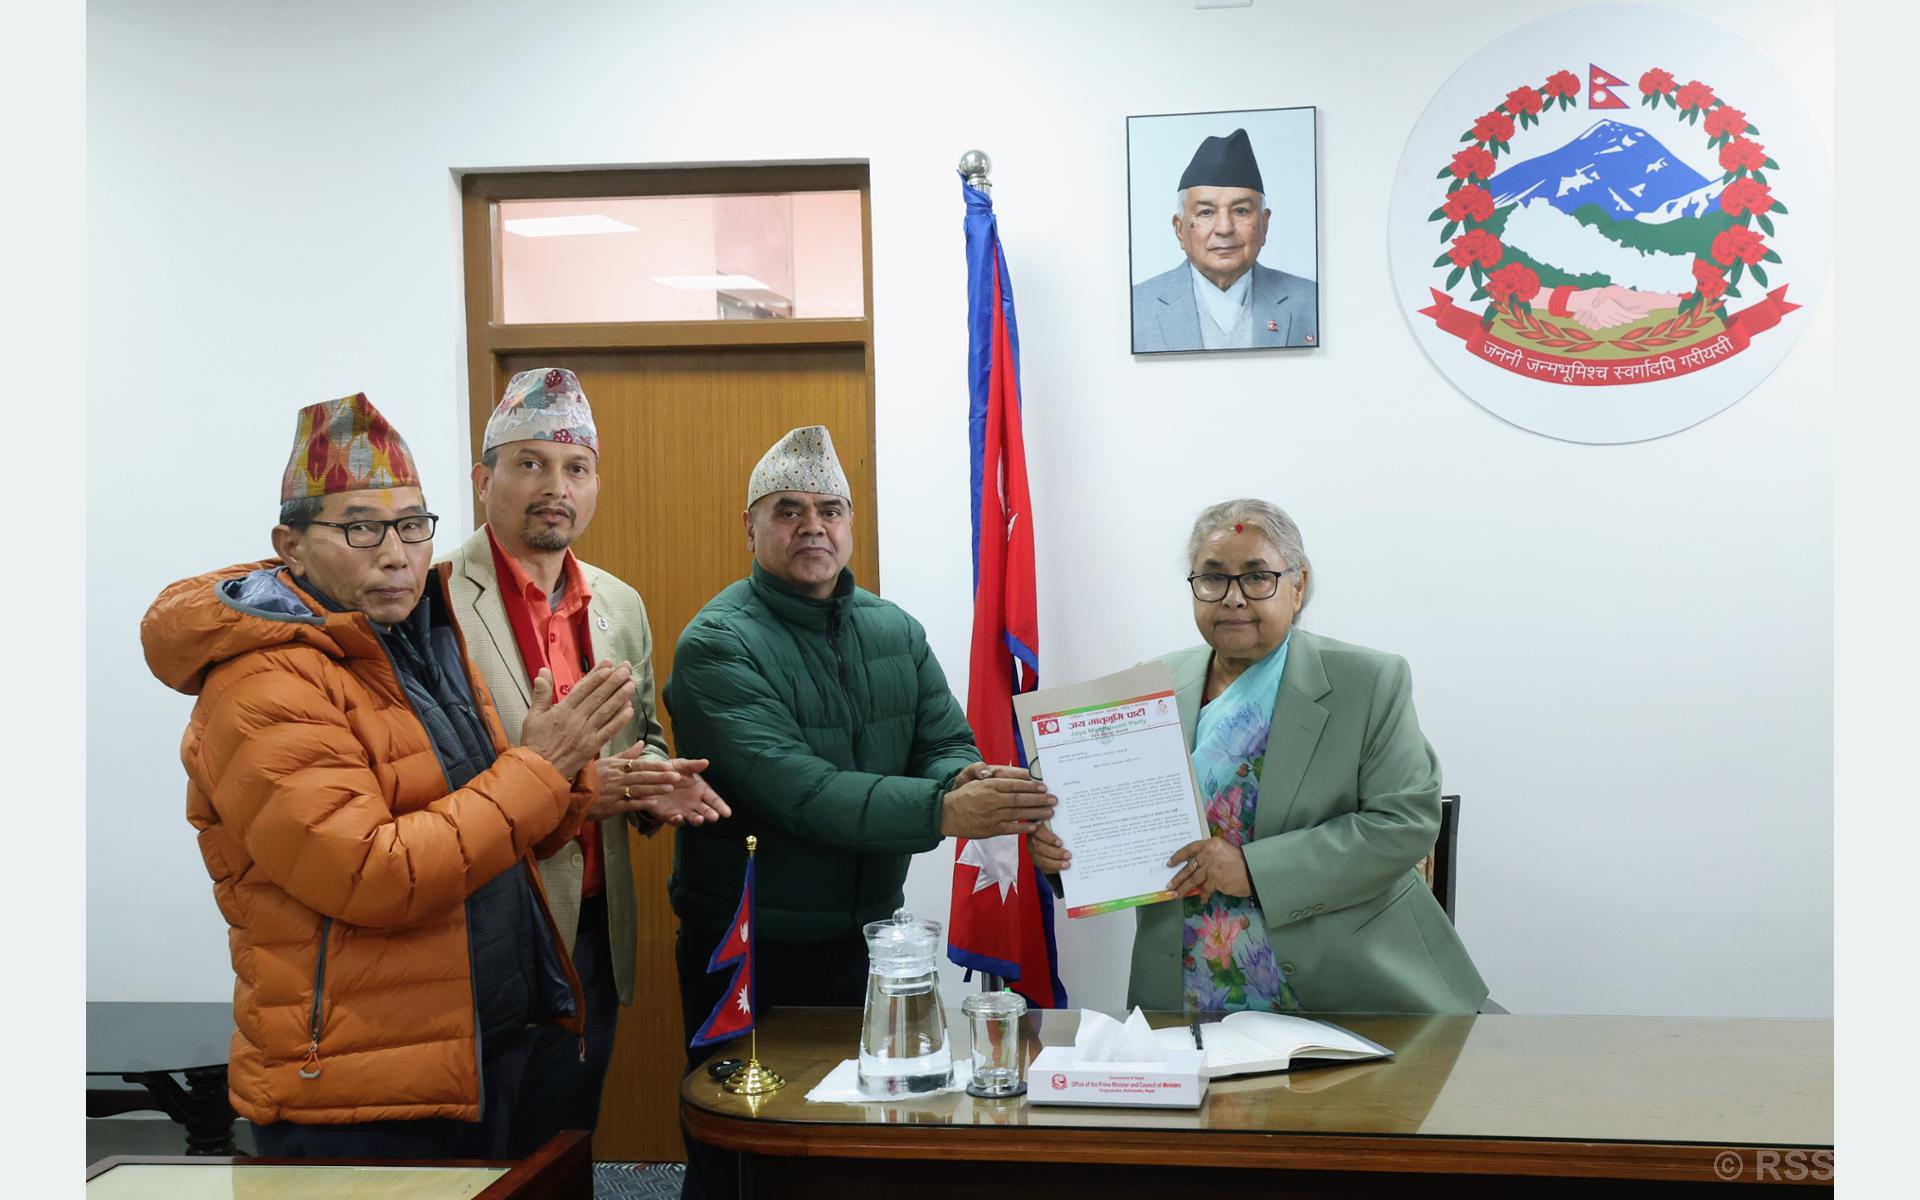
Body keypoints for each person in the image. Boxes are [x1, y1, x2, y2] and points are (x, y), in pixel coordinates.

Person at [141, 393, 638, 1158]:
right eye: (361, 529)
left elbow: (486, 825)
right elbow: (374, 875)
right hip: (361, 1077)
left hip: (472, 1042)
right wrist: (542, 766)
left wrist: (569, 781)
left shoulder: (415, 640)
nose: (397, 553)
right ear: (291, 546)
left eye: (411, 526)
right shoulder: (265, 683)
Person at [663, 425, 1055, 1200]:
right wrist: (947, 808)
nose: (812, 526)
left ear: (849, 524)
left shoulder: (893, 629)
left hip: (872, 946)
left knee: (860, 1144)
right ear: (749, 527)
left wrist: (967, 776)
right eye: (788, 510)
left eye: (830, 510)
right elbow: (801, 792)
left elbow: (941, 743)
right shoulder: (716, 644)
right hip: (751, 949)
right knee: (745, 1150)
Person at [1032, 499, 1486, 1014]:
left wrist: (1251, 870)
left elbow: (1404, 823)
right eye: (1212, 578)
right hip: (1186, 990)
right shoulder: (1151, 685)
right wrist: (1063, 854)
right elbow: (1121, 825)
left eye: (1256, 578)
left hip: (1346, 989)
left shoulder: (1366, 682)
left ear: (1298, 586)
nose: (1233, 598)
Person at [442, 367, 730, 1157]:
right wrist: (576, 788)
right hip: (487, 930)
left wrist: (653, 783)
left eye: (576, 468)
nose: (555, 487)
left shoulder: (619, 603)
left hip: (595, 933)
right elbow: (431, 775)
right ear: (483, 480)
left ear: (596, 484)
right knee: (485, 1164)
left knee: (568, 1148)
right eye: (529, 464)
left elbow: (644, 733)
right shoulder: (436, 601)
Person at [1131, 128, 1319, 352]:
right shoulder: (1134, 307)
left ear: (1264, 224)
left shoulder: (1312, 300)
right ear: (1179, 229)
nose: (1224, 228)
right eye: (1206, 212)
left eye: (1240, 211)